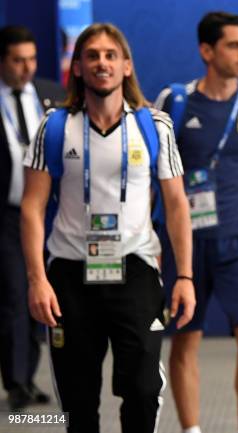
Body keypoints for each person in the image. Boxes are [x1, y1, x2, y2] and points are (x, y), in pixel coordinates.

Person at [20, 23, 195, 433]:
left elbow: (176, 205)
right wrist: (36, 280)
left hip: (135, 269)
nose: (102, 62)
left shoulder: (155, 126)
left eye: (111, 55)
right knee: (78, 403)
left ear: (126, 66)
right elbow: (32, 207)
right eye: (93, 55)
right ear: (77, 67)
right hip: (68, 276)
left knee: (141, 388)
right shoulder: (54, 126)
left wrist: (184, 275)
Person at [154, 11, 238, 433]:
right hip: (185, 245)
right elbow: (158, 180)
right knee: (186, 338)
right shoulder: (173, 102)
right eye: (233, 45)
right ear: (207, 51)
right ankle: (191, 429)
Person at [0, 25, 64, 410]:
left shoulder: (51, 95)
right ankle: (17, 382)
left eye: (31, 59)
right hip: (6, 216)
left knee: (43, 297)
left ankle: (29, 375)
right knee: (12, 297)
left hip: (51, 215)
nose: (26, 68)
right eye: (17, 60)